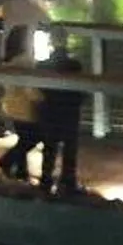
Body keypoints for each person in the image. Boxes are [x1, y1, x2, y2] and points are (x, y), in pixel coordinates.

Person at [33, 48, 86, 199]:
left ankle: (46, 181)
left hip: (49, 113)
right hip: (69, 112)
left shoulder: (42, 66)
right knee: (70, 149)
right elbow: (80, 89)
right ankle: (68, 182)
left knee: (49, 148)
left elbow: (38, 90)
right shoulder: (75, 66)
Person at [0, 28, 44, 182]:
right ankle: (7, 160)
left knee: (24, 138)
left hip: (10, 105)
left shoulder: (8, 61)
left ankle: (21, 172)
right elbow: (30, 87)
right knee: (33, 137)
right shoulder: (26, 61)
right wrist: (40, 98)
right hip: (24, 105)